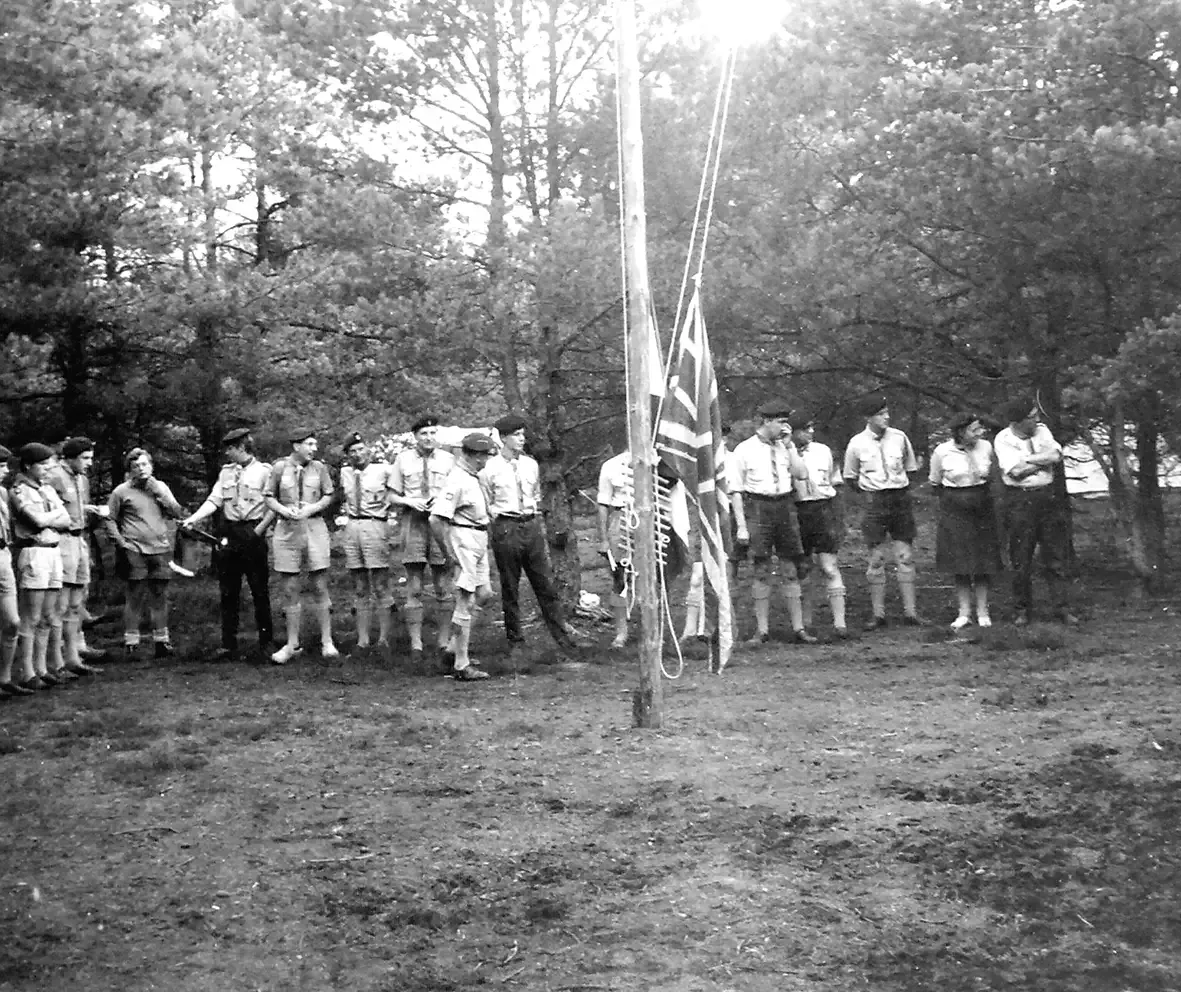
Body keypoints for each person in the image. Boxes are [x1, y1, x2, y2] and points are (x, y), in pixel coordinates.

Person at [481, 414, 582, 656]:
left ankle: (562, 637)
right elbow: (487, 502)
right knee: (510, 585)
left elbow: (535, 494)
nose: (521, 439)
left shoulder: (530, 465)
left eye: (523, 435)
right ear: (503, 438)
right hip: (506, 526)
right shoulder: (489, 469)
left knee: (544, 583)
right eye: (516, 435)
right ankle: (515, 640)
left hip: (531, 525)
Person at [181, 427, 275, 662]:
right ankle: (228, 645)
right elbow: (214, 500)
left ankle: (266, 644)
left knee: (259, 590)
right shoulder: (226, 473)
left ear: (242, 448)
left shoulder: (265, 472)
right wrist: (193, 518)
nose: (227, 454)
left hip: (253, 531)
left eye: (231, 449)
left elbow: (274, 506)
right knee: (228, 591)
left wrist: (258, 531)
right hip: (230, 532)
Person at [730, 400, 814, 645]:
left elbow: (801, 474)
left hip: (785, 506)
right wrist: (742, 526)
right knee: (761, 568)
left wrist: (789, 448)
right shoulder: (744, 450)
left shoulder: (786, 447)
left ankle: (798, 629)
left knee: (790, 568)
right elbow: (735, 490)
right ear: (766, 421)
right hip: (758, 506)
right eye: (780, 422)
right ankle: (762, 630)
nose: (784, 427)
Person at [843, 395, 926, 629]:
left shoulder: (899, 438)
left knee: (905, 556)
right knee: (876, 558)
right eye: (880, 414)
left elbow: (910, 469)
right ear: (868, 417)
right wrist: (870, 495)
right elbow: (850, 477)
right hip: (874, 501)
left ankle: (911, 613)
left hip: (899, 499)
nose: (886, 417)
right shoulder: (856, 443)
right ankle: (877, 615)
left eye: (887, 412)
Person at [994, 398, 1075, 625]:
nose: (1037, 419)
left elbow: (1056, 456)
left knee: (1056, 555)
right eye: (1031, 416)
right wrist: (1042, 461)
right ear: (1017, 422)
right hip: (1020, 500)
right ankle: (1022, 610)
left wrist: (1028, 460)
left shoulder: (1042, 431)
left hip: (1047, 496)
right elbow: (1016, 473)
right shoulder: (1003, 439)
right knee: (1021, 557)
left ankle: (1061, 608)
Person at [265, 428, 337, 664]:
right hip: (286, 530)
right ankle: (292, 643)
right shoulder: (278, 468)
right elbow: (268, 496)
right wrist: (284, 510)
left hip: (314, 528)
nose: (314, 449)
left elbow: (328, 495)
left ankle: (327, 641)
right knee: (290, 588)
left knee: (319, 584)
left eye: (315, 444)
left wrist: (311, 509)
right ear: (296, 446)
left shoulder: (319, 468)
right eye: (309, 444)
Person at [430, 433, 497, 680]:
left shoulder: (472, 477)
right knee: (465, 600)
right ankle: (461, 664)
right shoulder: (456, 480)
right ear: (474, 455)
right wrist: (450, 554)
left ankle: (451, 650)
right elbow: (436, 519)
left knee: (484, 594)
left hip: (478, 537)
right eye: (484, 455)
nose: (486, 460)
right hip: (463, 539)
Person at [108, 447, 186, 658]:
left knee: (160, 595)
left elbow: (177, 512)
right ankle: (131, 642)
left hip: (160, 548)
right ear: (130, 470)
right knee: (135, 594)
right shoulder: (121, 492)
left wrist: (159, 493)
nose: (141, 469)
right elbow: (110, 519)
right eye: (135, 466)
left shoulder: (160, 487)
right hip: (134, 549)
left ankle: (162, 641)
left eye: (144, 464)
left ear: (151, 466)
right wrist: (122, 543)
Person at [389, 416, 455, 659]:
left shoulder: (448, 459)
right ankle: (415, 643)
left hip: (439, 523)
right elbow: (393, 495)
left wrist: (442, 502)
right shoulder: (403, 459)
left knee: (442, 583)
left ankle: (444, 641)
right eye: (424, 433)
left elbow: (456, 490)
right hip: (413, 522)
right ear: (415, 436)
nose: (429, 438)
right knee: (414, 584)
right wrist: (410, 501)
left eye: (432, 433)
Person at [929, 412, 1002, 629]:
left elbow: (992, 476)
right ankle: (963, 612)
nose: (980, 433)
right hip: (955, 506)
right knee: (959, 562)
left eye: (980, 429)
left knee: (982, 561)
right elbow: (935, 482)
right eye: (975, 429)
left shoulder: (986, 447)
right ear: (961, 432)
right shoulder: (942, 452)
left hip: (982, 505)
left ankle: (982, 611)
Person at [10, 443, 72, 688]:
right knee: (31, 616)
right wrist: (53, 516)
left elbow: (67, 520)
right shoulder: (19, 490)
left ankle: (42, 668)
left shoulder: (46, 488)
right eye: (43, 465)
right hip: (34, 552)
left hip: (53, 550)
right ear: (28, 465)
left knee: (48, 614)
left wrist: (51, 518)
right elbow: (35, 520)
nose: (48, 469)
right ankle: (27, 672)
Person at [47, 437, 106, 673]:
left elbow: (77, 509)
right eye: (85, 458)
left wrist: (88, 511)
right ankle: (56, 661)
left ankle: (74, 658)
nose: (89, 463)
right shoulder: (54, 476)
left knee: (76, 603)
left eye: (91, 458)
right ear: (69, 457)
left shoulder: (81, 479)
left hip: (79, 539)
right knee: (60, 604)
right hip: (61, 541)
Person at [790, 413, 848, 640]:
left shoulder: (823, 451)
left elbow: (836, 483)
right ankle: (806, 624)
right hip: (796, 511)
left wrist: (838, 519)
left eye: (812, 428)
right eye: (805, 428)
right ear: (793, 432)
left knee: (829, 566)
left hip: (823, 510)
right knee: (802, 569)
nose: (811, 433)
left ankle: (840, 624)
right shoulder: (783, 452)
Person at [337, 431, 396, 650]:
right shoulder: (344, 473)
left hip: (375, 523)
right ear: (347, 455)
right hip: (353, 526)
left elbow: (396, 492)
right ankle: (362, 640)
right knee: (359, 584)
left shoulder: (383, 470)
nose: (358, 454)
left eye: (361, 449)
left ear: (368, 450)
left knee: (380, 583)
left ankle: (384, 639)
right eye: (352, 451)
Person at [0, 445, 33, 696]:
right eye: (0, 466)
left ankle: (5, 678)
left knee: (12, 621)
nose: (4, 471)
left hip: (2, 555)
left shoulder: (2, 493)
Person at [596, 448, 634, 648]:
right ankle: (621, 631)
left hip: (651, 520)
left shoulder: (659, 462)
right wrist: (603, 539)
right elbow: (603, 503)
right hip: (621, 519)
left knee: (653, 577)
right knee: (620, 578)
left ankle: (653, 628)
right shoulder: (611, 465)